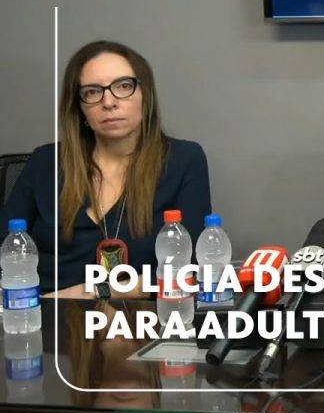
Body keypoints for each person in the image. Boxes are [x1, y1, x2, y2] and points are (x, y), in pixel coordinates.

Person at [0, 40, 211, 297]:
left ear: (146, 96)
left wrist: (93, 292)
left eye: (124, 86)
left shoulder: (183, 160)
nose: (109, 102)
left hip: (144, 316)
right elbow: (6, 252)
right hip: (41, 315)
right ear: (79, 107)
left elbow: (189, 271)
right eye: (92, 92)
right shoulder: (45, 162)